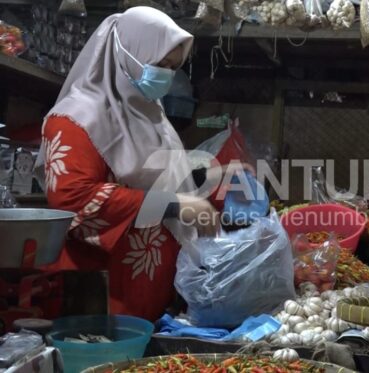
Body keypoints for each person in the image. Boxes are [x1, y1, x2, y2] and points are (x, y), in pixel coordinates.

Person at [34, 7, 246, 321]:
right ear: (126, 54)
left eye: (173, 67)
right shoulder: (75, 119)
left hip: (154, 289)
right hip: (103, 292)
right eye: (160, 64)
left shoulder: (150, 114)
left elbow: (162, 176)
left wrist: (212, 178)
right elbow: (73, 199)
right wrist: (173, 205)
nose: (167, 75)